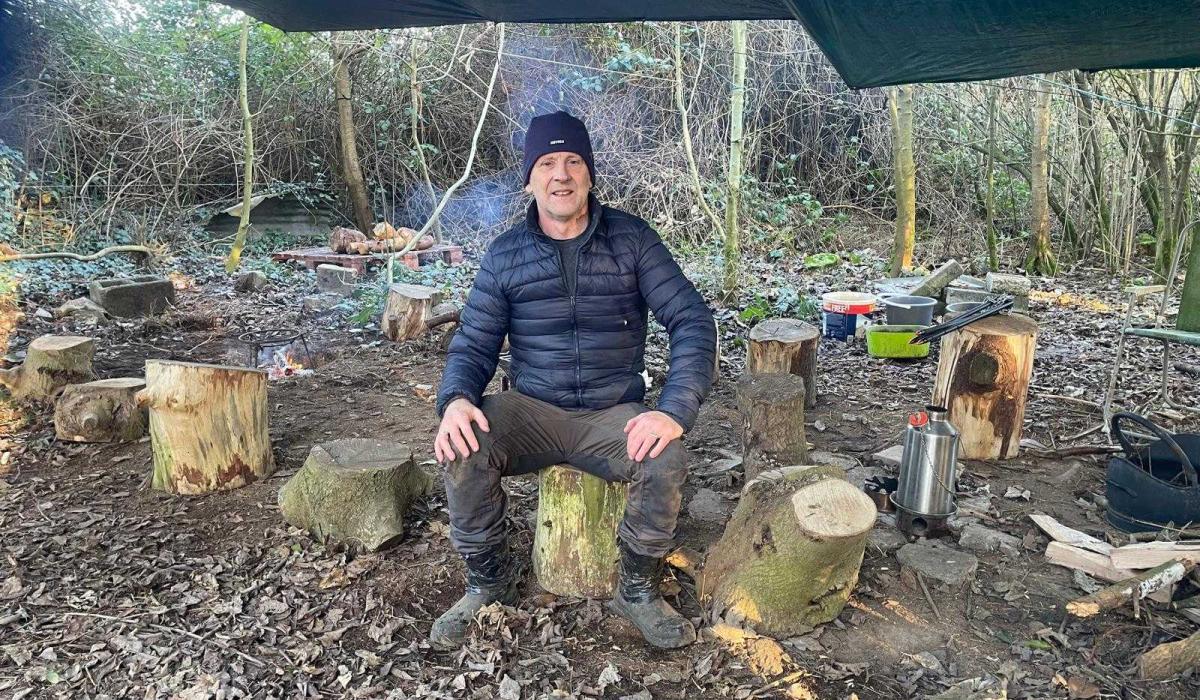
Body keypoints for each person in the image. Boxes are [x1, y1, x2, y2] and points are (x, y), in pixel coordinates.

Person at [431, 110, 716, 649]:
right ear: (529, 179)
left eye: (572, 162)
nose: (560, 175)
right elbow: (473, 343)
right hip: (532, 410)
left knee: (666, 458)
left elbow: (692, 321)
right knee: (464, 444)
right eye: (546, 164)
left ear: (589, 174)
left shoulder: (631, 240)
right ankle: (487, 582)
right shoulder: (505, 255)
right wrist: (456, 399)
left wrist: (673, 410)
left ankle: (637, 590)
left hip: (613, 411)